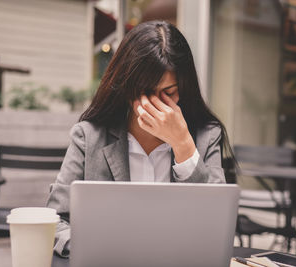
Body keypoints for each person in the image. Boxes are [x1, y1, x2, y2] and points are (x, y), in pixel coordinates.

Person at [47, 20, 235, 257]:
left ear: (184, 88)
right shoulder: (90, 136)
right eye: (145, 92)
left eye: (169, 93)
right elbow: (54, 220)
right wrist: (94, 251)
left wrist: (183, 145)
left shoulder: (206, 135)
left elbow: (218, 226)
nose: (156, 104)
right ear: (125, 87)